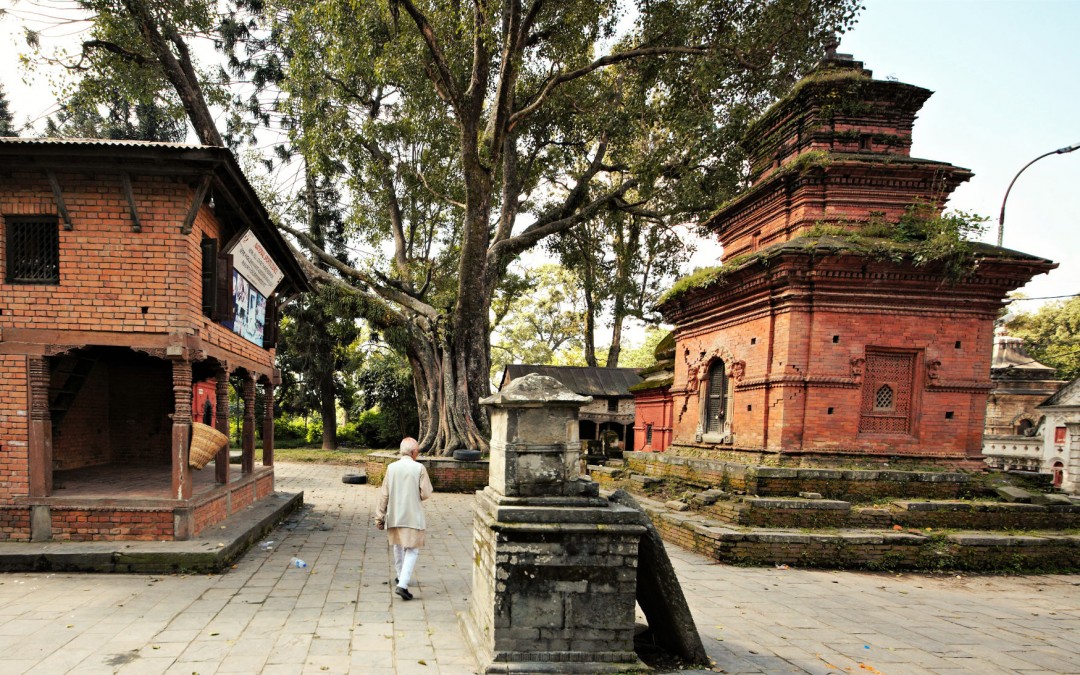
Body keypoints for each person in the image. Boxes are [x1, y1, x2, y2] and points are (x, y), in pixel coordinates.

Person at [374, 437, 433, 601]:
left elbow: (384, 494)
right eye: (417, 451)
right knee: (412, 549)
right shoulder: (419, 468)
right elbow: (426, 493)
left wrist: (379, 517)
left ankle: (400, 576)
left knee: (398, 545)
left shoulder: (391, 468)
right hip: (413, 516)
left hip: (394, 515)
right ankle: (403, 584)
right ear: (414, 452)